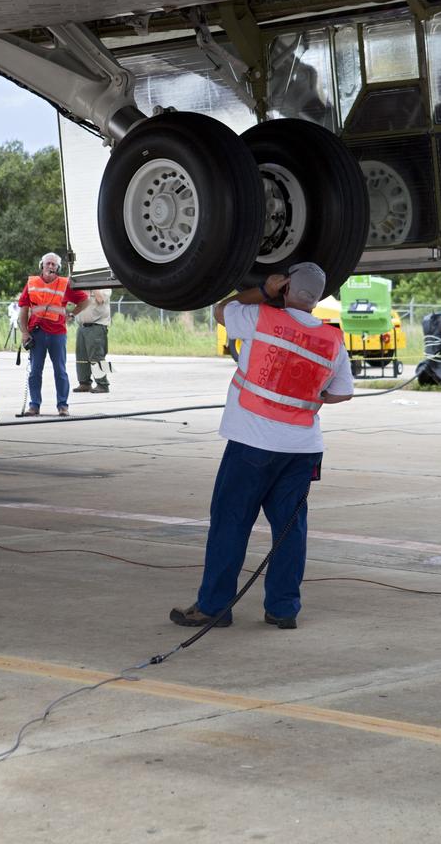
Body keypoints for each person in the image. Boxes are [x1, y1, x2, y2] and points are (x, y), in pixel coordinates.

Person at [170, 262, 353, 631]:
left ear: (286, 288)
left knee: (231, 523)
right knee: (289, 529)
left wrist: (263, 291)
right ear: (318, 300)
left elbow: (221, 310)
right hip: (302, 448)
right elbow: (342, 393)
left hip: (252, 443)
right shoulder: (333, 340)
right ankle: (283, 609)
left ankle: (214, 607)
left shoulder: (261, 318)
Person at [18, 252, 88, 416]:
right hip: (37, 333)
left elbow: (85, 300)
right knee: (35, 371)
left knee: (60, 370)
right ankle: (34, 406)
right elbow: (23, 309)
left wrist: (72, 314)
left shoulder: (65, 284)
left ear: (58, 268)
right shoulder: (32, 283)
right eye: (48, 263)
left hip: (58, 333)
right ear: (42, 265)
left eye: (54, 264)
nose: (50, 266)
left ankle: (62, 406)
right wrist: (24, 332)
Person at [73, 289, 112, 393]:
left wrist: (92, 286)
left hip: (97, 325)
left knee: (97, 356)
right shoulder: (80, 286)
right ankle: (84, 383)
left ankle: (103, 384)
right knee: (81, 356)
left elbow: (100, 299)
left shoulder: (105, 286)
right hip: (82, 326)